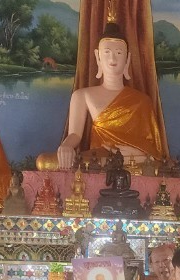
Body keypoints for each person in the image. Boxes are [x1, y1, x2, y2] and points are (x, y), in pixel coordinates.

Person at [51, 18, 166, 169]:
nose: (112, 58)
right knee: (45, 161)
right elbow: (75, 134)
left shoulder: (142, 101)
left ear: (127, 59)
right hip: (100, 159)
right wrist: (66, 145)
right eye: (107, 52)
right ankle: (119, 161)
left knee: (151, 163)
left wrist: (137, 153)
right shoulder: (82, 95)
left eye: (119, 52)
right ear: (98, 57)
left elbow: (153, 150)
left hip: (135, 160)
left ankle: (124, 161)